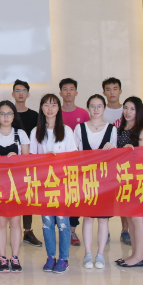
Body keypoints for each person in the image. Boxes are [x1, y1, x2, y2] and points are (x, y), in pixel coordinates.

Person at [30, 93, 77, 274]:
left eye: (54, 105)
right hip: (44, 185)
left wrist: (58, 159)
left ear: (58, 108)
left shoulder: (66, 130)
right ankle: (51, 256)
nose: (50, 108)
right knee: (47, 223)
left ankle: (64, 258)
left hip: (62, 184)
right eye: (46, 105)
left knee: (63, 223)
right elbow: (31, 159)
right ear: (41, 108)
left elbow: (73, 157)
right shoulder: (36, 131)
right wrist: (44, 159)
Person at [74, 94, 118, 270]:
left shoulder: (111, 129)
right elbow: (75, 154)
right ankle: (87, 253)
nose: (96, 109)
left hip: (105, 180)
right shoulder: (80, 128)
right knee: (88, 218)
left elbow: (115, 155)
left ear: (104, 108)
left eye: (99, 106)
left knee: (103, 219)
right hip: (86, 179)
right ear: (88, 108)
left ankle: (100, 253)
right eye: (93, 106)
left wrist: (113, 149)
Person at [0, 100, 30, 273]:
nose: (6, 117)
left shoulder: (21, 134)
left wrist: (17, 159)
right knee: (1, 221)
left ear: (14, 116)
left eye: (9, 114)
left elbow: (27, 160)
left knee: (16, 221)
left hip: (16, 184)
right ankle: (3, 257)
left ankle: (15, 257)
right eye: (2, 114)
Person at [115, 96, 143, 268]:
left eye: (132, 109)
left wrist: (131, 150)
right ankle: (134, 254)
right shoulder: (120, 129)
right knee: (129, 218)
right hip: (123, 179)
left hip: (137, 179)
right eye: (126, 108)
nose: (128, 112)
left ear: (138, 111)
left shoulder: (142, 130)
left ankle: (139, 256)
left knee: (137, 219)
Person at [12, 79, 42, 247]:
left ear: (28, 94)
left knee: (28, 197)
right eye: (18, 90)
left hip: (29, 162)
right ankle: (9, 229)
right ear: (13, 94)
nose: (21, 93)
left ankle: (27, 231)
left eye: (24, 91)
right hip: (10, 163)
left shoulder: (35, 116)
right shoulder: (8, 113)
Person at [58, 78, 89, 246]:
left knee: (74, 197)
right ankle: (59, 229)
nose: (68, 92)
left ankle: (72, 231)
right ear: (60, 93)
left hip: (77, 164)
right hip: (58, 165)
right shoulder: (56, 112)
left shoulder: (83, 114)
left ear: (76, 92)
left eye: (71, 89)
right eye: (65, 89)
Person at [101, 77, 131, 245]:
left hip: (124, 161)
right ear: (104, 92)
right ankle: (106, 230)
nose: (112, 92)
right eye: (108, 89)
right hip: (106, 161)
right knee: (106, 196)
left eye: (115, 88)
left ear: (120, 91)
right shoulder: (101, 110)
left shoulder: (127, 109)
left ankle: (125, 230)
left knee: (124, 195)